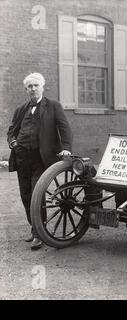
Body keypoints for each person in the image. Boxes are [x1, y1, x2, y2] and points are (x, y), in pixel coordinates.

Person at [7, 73, 73, 250]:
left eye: (36, 85)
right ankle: (34, 228)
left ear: (42, 87)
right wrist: (13, 142)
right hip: (22, 158)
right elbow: (11, 131)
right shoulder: (21, 109)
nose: (33, 89)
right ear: (26, 89)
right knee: (25, 195)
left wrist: (66, 147)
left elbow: (64, 128)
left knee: (38, 194)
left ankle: (39, 234)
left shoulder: (53, 106)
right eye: (30, 86)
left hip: (41, 158)